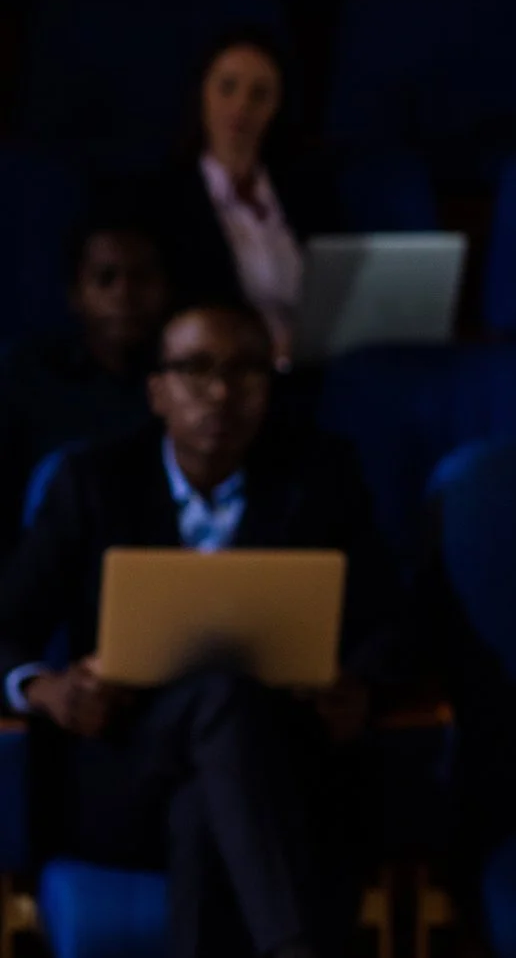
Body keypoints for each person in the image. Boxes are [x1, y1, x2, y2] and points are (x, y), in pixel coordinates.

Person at [0, 301, 407, 958]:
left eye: (245, 369)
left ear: (268, 388)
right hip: (121, 774)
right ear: (156, 389)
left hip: (276, 771)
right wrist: (43, 688)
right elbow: (5, 628)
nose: (221, 392)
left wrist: (358, 686)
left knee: (202, 807)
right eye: (196, 369)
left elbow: (388, 621)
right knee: (224, 697)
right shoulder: (93, 482)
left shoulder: (320, 476)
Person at [144, 30, 338, 366]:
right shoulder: (163, 201)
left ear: (276, 107)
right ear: (202, 94)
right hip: (225, 376)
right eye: (227, 87)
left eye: (259, 94)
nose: (241, 106)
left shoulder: (310, 194)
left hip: (313, 368)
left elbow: (337, 295)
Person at [0, 220, 168, 536]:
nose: (125, 294)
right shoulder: (25, 376)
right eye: (106, 279)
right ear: (75, 293)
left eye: (142, 277)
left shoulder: (184, 378)